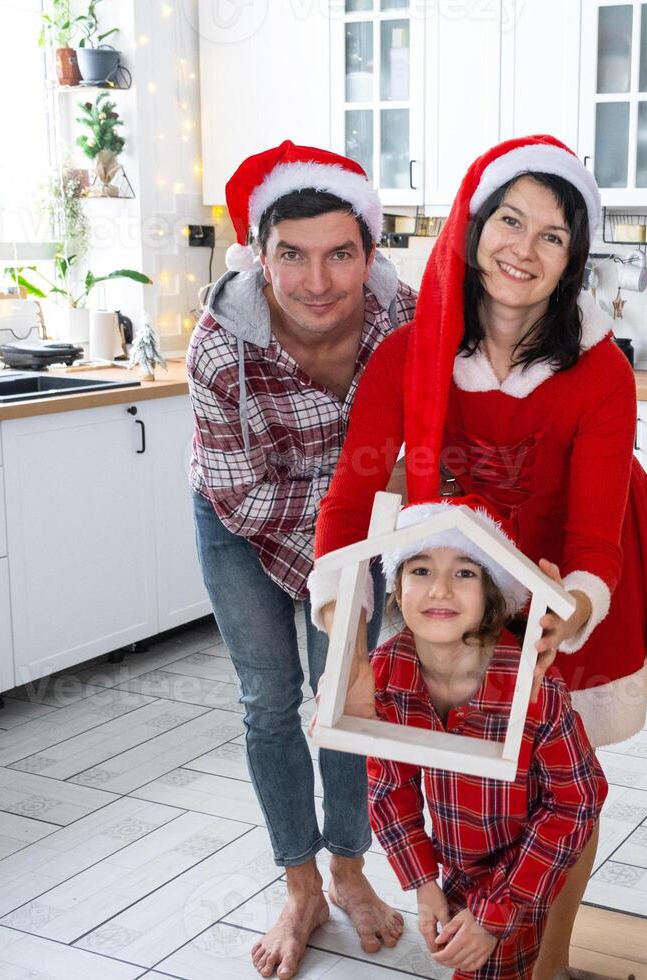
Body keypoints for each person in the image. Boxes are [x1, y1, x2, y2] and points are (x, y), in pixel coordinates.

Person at [310, 135, 647, 979]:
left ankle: (548, 965)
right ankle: (481, 928)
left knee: (564, 784)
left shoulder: (600, 373)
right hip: (457, 588)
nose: (524, 247)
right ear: (476, 227)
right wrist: (347, 636)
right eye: (510, 220)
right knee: (468, 778)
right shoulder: (404, 355)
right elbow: (352, 500)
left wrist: (574, 608)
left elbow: (594, 537)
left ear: (572, 259)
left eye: (552, 235)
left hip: (566, 583)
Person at [187, 141, 417, 980]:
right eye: (293, 255)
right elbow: (244, 497)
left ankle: (350, 871)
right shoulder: (218, 347)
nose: (318, 282)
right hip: (239, 521)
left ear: (369, 253)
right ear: (260, 255)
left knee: (346, 700)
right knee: (269, 704)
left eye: (339, 255)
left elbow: (419, 453)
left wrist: (364, 532)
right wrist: (356, 508)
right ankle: (300, 887)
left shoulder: (407, 321)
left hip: (355, 529)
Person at [362, 495, 607, 980]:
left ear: (491, 596)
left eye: (465, 573)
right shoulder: (388, 671)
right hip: (449, 866)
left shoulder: (532, 686)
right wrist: (423, 883)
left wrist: (497, 913)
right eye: (421, 570)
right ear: (396, 587)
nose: (440, 590)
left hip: (521, 874)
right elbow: (391, 786)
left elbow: (577, 801)